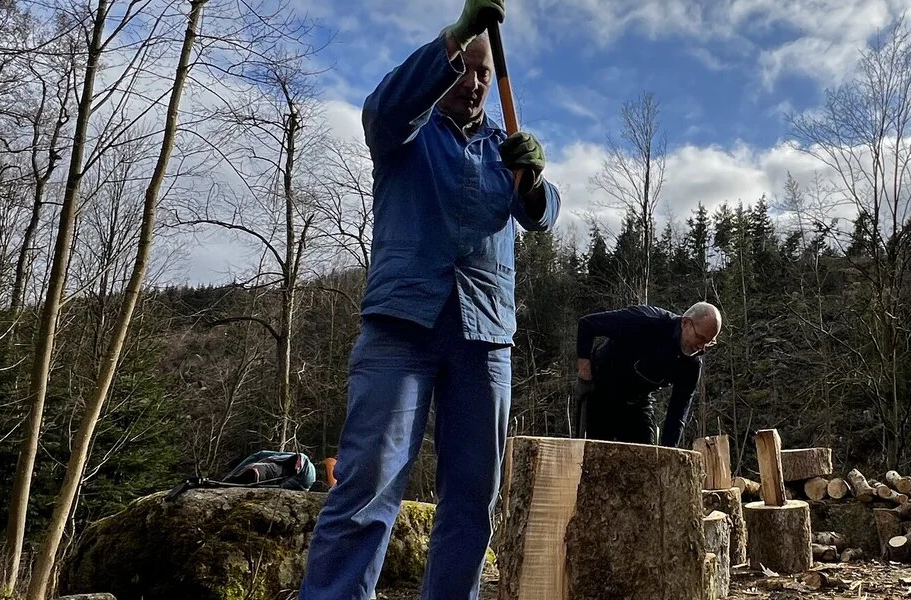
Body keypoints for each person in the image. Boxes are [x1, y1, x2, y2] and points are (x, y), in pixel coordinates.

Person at [294, 0, 558, 596]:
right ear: (446, 67)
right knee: (368, 485)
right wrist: (458, 36)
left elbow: (541, 216)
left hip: (485, 334)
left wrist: (535, 180)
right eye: (462, 68)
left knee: (472, 497)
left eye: (483, 73)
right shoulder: (404, 132)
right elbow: (382, 111)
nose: (472, 83)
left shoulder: (503, 147)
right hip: (402, 328)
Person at [572, 302, 721, 447]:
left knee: (645, 461)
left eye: (709, 343)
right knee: (597, 458)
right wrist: (585, 375)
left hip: (637, 403)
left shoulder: (691, 365)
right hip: (600, 391)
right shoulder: (646, 320)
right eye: (701, 338)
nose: (702, 348)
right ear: (685, 323)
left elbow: (677, 414)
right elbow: (588, 324)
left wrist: (669, 452)